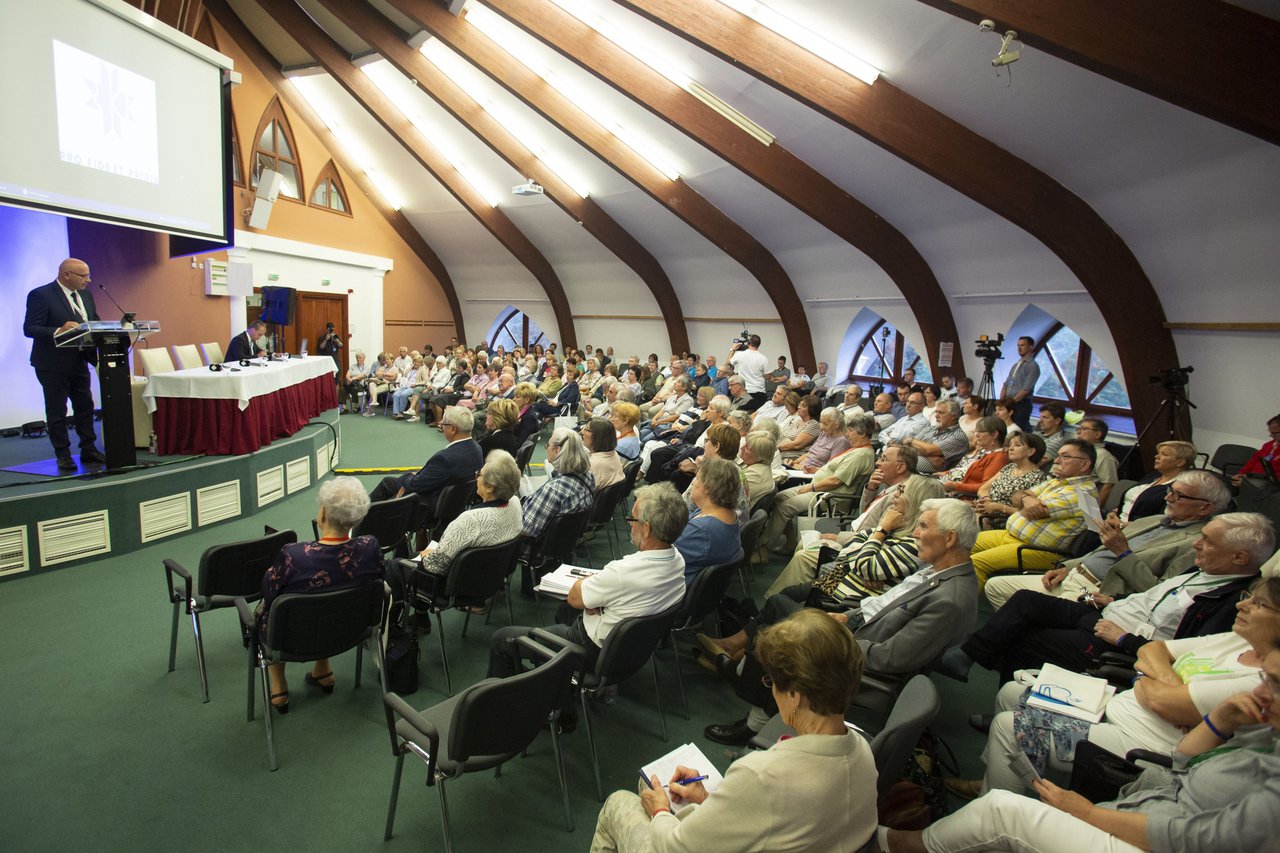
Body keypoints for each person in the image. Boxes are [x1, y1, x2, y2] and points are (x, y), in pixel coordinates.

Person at [882, 648, 1280, 853]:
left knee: (1000, 808)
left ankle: (899, 845)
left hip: (1157, 835)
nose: (1260, 692)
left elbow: (1197, 840)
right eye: (1265, 678)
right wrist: (1220, 721)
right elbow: (1181, 760)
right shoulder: (1266, 731)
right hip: (1146, 801)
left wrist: (1087, 812)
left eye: (1275, 683)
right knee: (1012, 694)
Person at [948, 577, 1280, 801]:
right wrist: (1161, 682)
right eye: (1247, 598)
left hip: (1147, 745)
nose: (1242, 606)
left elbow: (1164, 697)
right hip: (1121, 705)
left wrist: (1153, 680)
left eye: (1259, 605)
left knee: (1010, 727)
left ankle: (997, 805)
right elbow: (1153, 650)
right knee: (1011, 692)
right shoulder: (1235, 640)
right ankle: (1002, 776)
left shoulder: (1264, 680)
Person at [591, 609, 877, 853]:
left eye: (772, 682)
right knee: (651, 786)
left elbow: (675, 847)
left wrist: (661, 812)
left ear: (796, 695)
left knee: (620, 803)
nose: (772, 691)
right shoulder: (863, 751)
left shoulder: (761, 775)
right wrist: (707, 801)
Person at [702, 498, 980, 745]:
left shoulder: (950, 599)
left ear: (950, 538)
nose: (916, 533)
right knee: (779, 622)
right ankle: (745, 678)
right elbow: (884, 607)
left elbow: (893, 658)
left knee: (777, 639)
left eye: (922, 526)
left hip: (862, 663)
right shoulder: (938, 572)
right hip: (857, 630)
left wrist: (834, 639)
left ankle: (752, 721)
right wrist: (848, 617)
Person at [947, 512, 1274, 684]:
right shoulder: (1204, 571)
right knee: (1025, 600)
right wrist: (1111, 599)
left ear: (1239, 558)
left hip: (1119, 643)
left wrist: (1124, 638)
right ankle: (967, 656)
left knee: (1026, 639)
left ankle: (984, 672)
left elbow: (1184, 653)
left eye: (1207, 542)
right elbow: (1154, 598)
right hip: (1109, 612)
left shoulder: (1235, 602)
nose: (1196, 546)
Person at [490, 482, 686, 677]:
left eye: (632, 519)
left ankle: (526, 692)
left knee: (502, 639)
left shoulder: (622, 572)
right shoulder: (678, 561)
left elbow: (575, 597)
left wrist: (594, 595)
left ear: (646, 529)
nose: (629, 523)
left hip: (591, 650)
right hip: (630, 650)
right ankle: (555, 676)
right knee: (566, 611)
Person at [983, 469, 1229, 609]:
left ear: (1205, 509)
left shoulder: (1195, 543)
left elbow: (1157, 591)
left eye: (1179, 496)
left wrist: (1123, 552)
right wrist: (1067, 568)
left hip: (1100, 591)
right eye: (1170, 492)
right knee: (995, 587)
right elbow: (1101, 550)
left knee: (1026, 605)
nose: (1168, 499)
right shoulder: (1153, 520)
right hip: (1073, 575)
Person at [256, 477, 385, 713]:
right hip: (350, 629)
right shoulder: (370, 547)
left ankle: (279, 689)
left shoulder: (294, 556)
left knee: (271, 610)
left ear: (323, 515)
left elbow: (269, 593)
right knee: (331, 600)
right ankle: (323, 671)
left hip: (293, 636)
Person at [968, 438, 1097, 587]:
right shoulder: (1056, 481)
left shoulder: (1082, 493)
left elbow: (1031, 511)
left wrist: (1024, 501)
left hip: (1037, 550)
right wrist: (1025, 499)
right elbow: (1016, 496)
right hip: (1010, 536)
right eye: (1058, 455)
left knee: (976, 563)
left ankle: (964, 608)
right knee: (961, 542)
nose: (1057, 460)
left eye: (1065, 456)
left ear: (1084, 464)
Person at [22, 258, 104, 470]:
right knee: (57, 411)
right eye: (83, 276)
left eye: (88, 275)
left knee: (85, 407)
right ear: (66, 275)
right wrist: (59, 330)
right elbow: (30, 328)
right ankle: (63, 454)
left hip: (80, 360)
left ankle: (89, 449)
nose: (88, 280)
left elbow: (94, 321)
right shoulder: (41, 295)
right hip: (52, 364)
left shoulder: (86, 295)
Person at [761, 412, 877, 556]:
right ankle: (790, 541)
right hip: (820, 488)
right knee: (778, 497)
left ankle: (762, 549)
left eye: (851, 431)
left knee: (784, 507)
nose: (848, 434)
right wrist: (818, 470)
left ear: (862, 433)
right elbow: (835, 471)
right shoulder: (856, 450)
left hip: (830, 496)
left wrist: (809, 487)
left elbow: (836, 480)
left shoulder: (861, 454)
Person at [410, 450, 522, 584]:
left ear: (490, 487)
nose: (476, 478)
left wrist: (427, 555)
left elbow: (435, 566)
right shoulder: (515, 504)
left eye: (479, 475)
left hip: (457, 584)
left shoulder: (470, 520)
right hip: (492, 578)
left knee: (397, 566)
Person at [368, 406, 483, 502]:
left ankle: (361, 518)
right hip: (457, 501)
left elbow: (415, 485)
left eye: (443, 425)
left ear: (453, 429)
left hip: (431, 503)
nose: (442, 428)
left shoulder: (445, 458)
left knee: (387, 483)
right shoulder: (477, 448)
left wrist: (410, 475)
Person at [675, 457, 742, 583]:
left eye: (697, 479)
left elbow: (661, 552)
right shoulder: (727, 514)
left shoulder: (701, 531)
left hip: (675, 589)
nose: (693, 483)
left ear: (708, 487)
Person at [972, 432, 1049, 520]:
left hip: (1001, 520)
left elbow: (1028, 512)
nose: (1011, 448)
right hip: (982, 511)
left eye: (1017, 445)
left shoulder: (1038, 478)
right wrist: (986, 499)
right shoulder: (1009, 467)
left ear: (1030, 451)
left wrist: (998, 507)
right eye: (1010, 445)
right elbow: (983, 489)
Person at [1116, 440, 1198, 522]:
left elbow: (1162, 521)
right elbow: (1129, 501)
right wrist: (1113, 513)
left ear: (1180, 462)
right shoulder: (1153, 476)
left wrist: (1120, 525)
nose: (1156, 456)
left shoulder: (1179, 488)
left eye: (1164, 454)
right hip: (1116, 520)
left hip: (1134, 530)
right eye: (1158, 453)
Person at [940, 416, 1009, 497]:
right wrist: (945, 473)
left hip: (966, 499)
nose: (976, 434)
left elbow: (985, 487)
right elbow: (964, 468)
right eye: (976, 431)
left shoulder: (999, 457)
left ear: (994, 434)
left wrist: (955, 486)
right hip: (953, 490)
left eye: (981, 431)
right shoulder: (983, 452)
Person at [902, 398, 969, 474]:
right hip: (912, 468)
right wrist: (928, 456)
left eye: (941, 413)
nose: (936, 416)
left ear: (953, 416)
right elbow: (906, 446)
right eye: (936, 412)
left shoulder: (958, 436)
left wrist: (911, 440)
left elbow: (929, 450)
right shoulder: (930, 429)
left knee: (899, 462)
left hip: (931, 477)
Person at [999, 335, 1040, 431]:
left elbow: (1026, 390)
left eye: (1022, 345)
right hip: (1009, 402)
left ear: (1030, 346)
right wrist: (1001, 402)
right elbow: (1006, 384)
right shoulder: (1016, 364)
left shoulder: (1032, 366)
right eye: (1018, 345)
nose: (1019, 348)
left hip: (1021, 404)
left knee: (1017, 430)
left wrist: (1010, 403)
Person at [790, 407, 850, 471]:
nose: (822, 426)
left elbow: (831, 468)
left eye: (825, 424)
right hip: (800, 468)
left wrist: (805, 468)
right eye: (821, 422)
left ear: (837, 425)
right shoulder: (824, 433)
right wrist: (793, 463)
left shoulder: (841, 441)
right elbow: (809, 454)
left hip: (812, 474)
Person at [1075, 417, 1119, 505]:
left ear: (1097, 434)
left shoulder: (1103, 456)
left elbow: (1109, 485)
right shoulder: (1077, 450)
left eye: (1084, 429)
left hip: (1082, 499)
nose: (1078, 432)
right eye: (1079, 428)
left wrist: (1096, 509)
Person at [1233, 413, 1280, 485]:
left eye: (1274, 433)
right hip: (1252, 481)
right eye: (1270, 432)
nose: (1270, 435)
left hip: (1267, 487)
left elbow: (1275, 479)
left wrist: (1247, 483)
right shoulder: (1268, 445)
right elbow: (1253, 461)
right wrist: (1241, 474)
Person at [726, 334, 769, 410]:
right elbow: (768, 376)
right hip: (760, 393)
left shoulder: (740, 354)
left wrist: (732, 349)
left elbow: (728, 362)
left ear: (748, 343)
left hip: (745, 393)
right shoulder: (763, 358)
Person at [582, 417, 625, 491]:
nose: (582, 432)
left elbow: (581, 490)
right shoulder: (613, 453)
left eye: (586, 429)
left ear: (598, 437)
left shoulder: (593, 464)